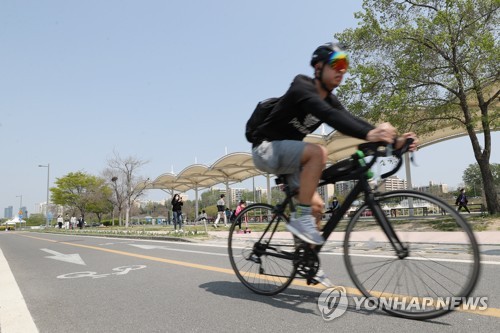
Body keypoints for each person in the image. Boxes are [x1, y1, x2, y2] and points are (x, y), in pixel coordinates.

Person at [248, 42, 418, 285]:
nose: (342, 70)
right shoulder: (301, 85)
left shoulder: (331, 100)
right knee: (318, 152)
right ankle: (301, 219)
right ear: (319, 67)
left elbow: (348, 118)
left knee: (317, 207)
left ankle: (306, 258)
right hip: (265, 148)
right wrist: (372, 134)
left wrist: (396, 141)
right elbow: (331, 117)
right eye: (336, 64)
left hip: (290, 158)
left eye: (345, 65)